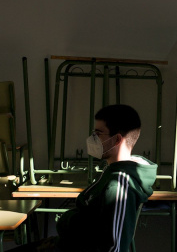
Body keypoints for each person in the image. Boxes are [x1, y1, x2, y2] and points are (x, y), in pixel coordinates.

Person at [8, 104, 158, 252]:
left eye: (98, 133)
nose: (93, 138)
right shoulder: (112, 171)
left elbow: (115, 246)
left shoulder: (119, 183)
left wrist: (68, 220)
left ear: (117, 140)